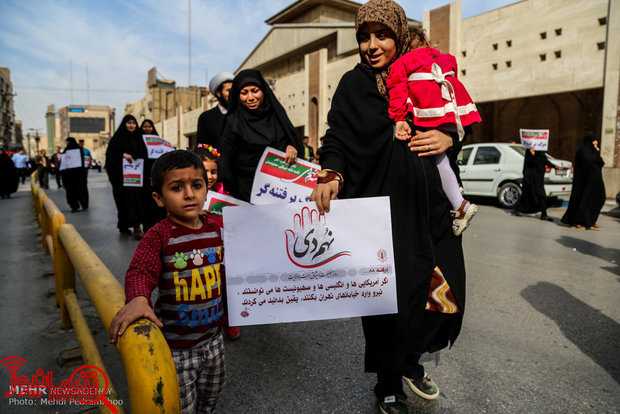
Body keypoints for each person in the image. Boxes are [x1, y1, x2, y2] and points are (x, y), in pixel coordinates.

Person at [310, 1, 466, 412]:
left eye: (382, 35)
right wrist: (332, 172)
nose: (372, 45)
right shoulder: (353, 85)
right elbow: (337, 137)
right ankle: (389, 382)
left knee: (442, 292)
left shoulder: (425, 71)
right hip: (382, 213)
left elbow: (454, 115)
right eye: (364, 37)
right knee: (387, 302)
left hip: (432, 208)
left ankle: (411, 359)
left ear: (399, 34)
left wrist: (449, 137)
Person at [108, 150, 226, 414]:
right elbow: (140, 270)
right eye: (177, 188)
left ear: (207, 190)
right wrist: (138, 299)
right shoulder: (159, 236)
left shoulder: (217, 230)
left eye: (197, 185)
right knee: (181, 408)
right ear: (159, 198)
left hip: (214, 341)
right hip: (176, 349)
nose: (189, 194)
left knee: (211, 398)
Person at [387, 27, 481, 236]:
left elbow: (397, 87)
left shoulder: (404, 61)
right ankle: (455, 188)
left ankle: (460, 205)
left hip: (430, 108)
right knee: (443, 155)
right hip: (452, 106)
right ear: (426, 40)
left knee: (436, 156)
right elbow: (453, 72)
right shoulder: (446, 58)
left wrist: (399, 117)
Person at [220, 69, 304, 202]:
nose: (250, 97)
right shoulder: (233, 122)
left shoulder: (276, 116)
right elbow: (226, 162)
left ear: (263, 91)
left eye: (255, 91)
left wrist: (290, 147)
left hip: (281, 189)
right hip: (245, 192)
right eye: (244, 93)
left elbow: (293, 141)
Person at [193, 144, 240, 341]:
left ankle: (228, 320)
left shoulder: (223, 195)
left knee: (226, 289)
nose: (210, 176)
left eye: (213, 171)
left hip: (222, 253)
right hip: (197, 254)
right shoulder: (189, 195)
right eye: (205, 171)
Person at [105, 114, 145, 239]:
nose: (131, 125)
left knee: (136, 201)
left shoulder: (140, 138)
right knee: (123, 202)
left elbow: (144, 153)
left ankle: (137, 227)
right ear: (124, 124)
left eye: (133, 123)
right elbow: (110, 156)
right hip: (121, 178)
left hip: (137, 178)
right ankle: (124, 225)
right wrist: (123, 155)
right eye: (129, 123)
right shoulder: (117, 138)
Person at [561, 133, 606, 230]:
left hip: (596, 181)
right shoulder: (582, 152)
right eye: (594, 141)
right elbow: (590, 161)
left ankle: (590, 221)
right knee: (583, 201)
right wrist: (596, 153)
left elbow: (601, 163)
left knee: (600, 198)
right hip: (585, 182)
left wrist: (596, 153)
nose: (596, 143)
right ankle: (578, 222)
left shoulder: (593, 152)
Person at [512, 148, 557, 221]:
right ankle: (516, 209)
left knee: (540, 195)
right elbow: (531, 162)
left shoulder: (540, 151)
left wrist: (554, 166)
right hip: (530, 178)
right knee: (528, 195)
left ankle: (544, 214)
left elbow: (544, 160)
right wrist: (532, 154)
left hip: (539, 177)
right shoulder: (529, 151)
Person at [139, 119, 167, 232]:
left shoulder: (158, 141)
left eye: (149, 126)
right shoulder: (138, 142)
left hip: (156, 176)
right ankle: (147, 228)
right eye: (145, 127)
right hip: (143, 179)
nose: (147, 129)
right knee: (146, 203)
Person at [197, 72, 235, 148]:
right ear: (218, 93)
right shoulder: (206, 118)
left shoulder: (241, 114)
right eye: (228, 90)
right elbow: (202, 147)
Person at [61, 137, 89, 212]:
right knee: (78, 190)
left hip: (73, 176)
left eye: (68, 142)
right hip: (76, 175)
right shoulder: (77, 150)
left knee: (75, 191)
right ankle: (79, 205)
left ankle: (78, 205)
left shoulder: (71, 151)